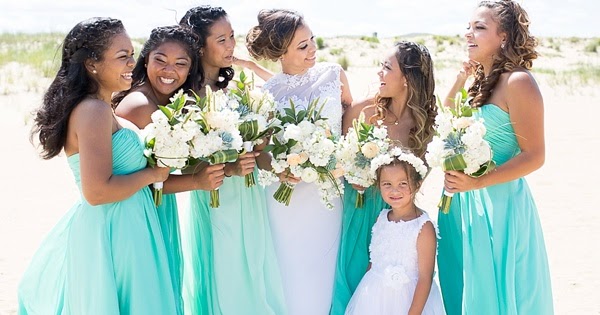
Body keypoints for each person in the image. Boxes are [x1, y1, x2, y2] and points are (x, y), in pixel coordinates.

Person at [18, 17, 177, 314]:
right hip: (114, 232)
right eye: (122, 56)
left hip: (130, 224)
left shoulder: (104, 107)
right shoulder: (92, 111)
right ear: (92, 64)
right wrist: (151, 174)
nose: (132, 62)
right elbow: (96, 192)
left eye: (132, 53)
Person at [437, 1, 554, 314]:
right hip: (461, 202)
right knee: (460, 288)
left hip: (498, 205)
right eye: (469, 27)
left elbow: (535, 155)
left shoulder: (519, 82)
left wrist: (481, 181)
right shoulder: (478, 82)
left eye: (479, 27)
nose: (468, 34)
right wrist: (461, 78)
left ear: (503, 36)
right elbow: (447, 120)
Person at [179, 6, 286, 315]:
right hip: (216, 199)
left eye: (232, 37)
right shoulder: (188, 96)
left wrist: (270, 155)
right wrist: (230, 167)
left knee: (255, 270)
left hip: (249, 196)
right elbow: (185, 164)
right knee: (228, 279)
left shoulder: (235, 89)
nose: (231, 46)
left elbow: (254, 153)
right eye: (221, 39)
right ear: (200, 46)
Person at [112, 25, 226, 315]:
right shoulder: (139, 105)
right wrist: (197, 182)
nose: (169, 70)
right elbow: (142, 183)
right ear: (146, 60)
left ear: (190, 71)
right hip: (133, 214)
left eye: (180, 63)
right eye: (160, 60)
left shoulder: (171, 104)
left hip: (156, 210)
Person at [246, 9, 353, 315]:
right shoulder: (267, 93)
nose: (313, 51)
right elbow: (261, 151)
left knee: (326, 268)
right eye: (302, 46)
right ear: (281, 52)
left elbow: (353, 126)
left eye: (312, 41)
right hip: (286, 199)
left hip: (328, 193)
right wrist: (279, 169)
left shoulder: (334, 75)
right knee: (290, 272)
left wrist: (342, 159)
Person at [331, 41, 437, 314]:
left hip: (397, 218)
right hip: (358, 208)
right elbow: (338, 160)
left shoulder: (422, 125)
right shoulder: (362, 112)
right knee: (351, 278)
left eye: (386, 67)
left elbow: (419, 177)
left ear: (406, 79)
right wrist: (352, 175)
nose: (379, 73)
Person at [345, 149, 444, 315]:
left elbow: (425, 278)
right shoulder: (381, 218)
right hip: (374, 297)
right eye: (387, 184)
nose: (394, 191)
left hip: (409, 302)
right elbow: (374, 261)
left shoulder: (423, 227)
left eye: (403, 184)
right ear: (379, 186)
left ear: (417, 185)